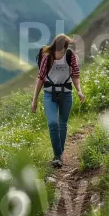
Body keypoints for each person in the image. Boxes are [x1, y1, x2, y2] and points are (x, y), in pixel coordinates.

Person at [31, 34, 86, 168]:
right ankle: (57, 155)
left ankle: (59, 155)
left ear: (65, 48)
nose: (58, 52)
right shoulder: (47, 57)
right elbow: (40, 78)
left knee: (62, 124)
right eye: (56, 48)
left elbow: (75, 75)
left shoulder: (70, 56)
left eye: (60, 49)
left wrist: (79, 90)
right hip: (49, 94)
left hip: (66, 94)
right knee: (52, 123)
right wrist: (35, 100)